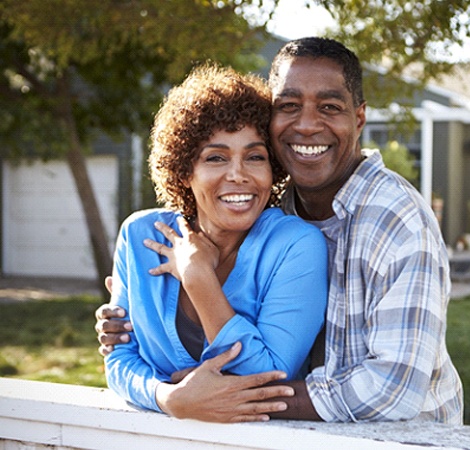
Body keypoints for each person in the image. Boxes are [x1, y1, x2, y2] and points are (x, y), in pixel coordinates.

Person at [97, 37, 464, 425]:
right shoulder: (281, 206)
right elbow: (122, 355)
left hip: (407, 438)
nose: (306, 125)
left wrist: (221, 396)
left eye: (329, 107)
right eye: (288, 106)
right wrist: (169, 396)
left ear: (359, 119)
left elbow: (394, 389)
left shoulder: (397, 221)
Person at [103, 63, 328, 417]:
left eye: (255, 157)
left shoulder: (295, 246)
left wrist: (197, 277)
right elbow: (118, 358)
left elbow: (269, 378)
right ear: (184, 170)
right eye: (216, 158)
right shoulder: (140, 236)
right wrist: (168, 397)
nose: (238, 175)